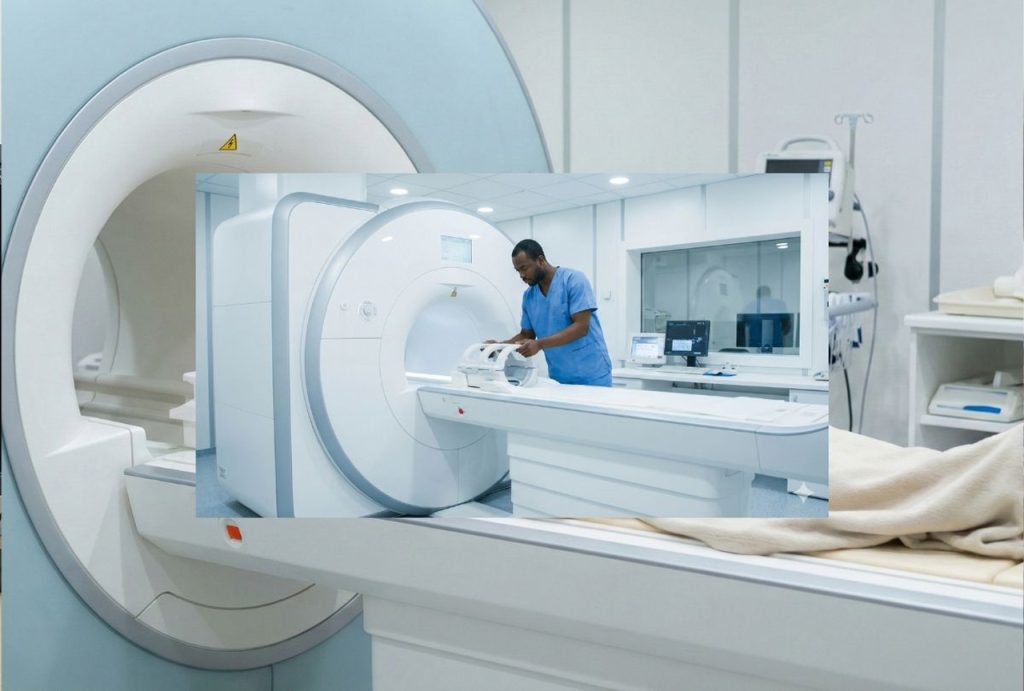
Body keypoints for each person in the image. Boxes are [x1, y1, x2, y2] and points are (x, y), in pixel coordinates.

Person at [490, 239, 612, 387]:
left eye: (524, 268)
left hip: (591, 372)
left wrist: (539, 344)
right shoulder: (529, 296)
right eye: (518, 271)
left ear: (540, 260)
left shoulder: (573, 280)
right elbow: (526, 335)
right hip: (559, 375)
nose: (521, 275)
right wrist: (498, 346)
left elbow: (581, 327)